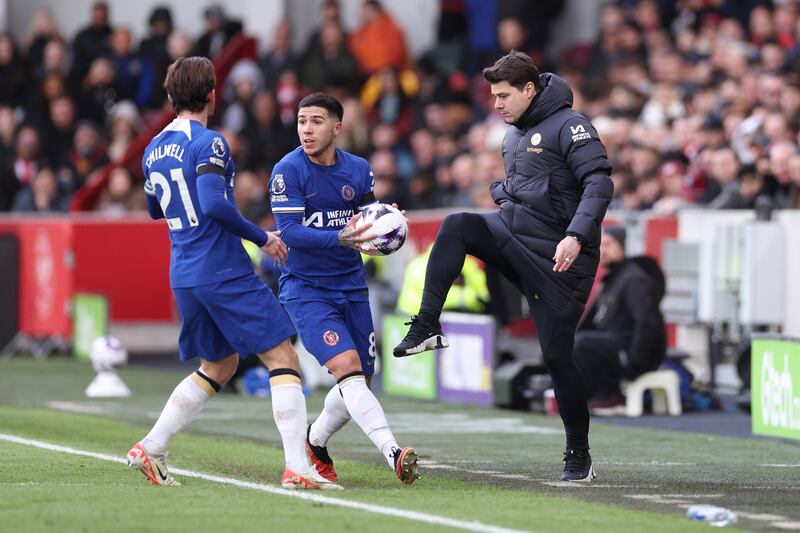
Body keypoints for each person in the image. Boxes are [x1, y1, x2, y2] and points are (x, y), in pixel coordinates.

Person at [393, 51, 613, 482]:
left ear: (529, 90)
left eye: (504, 95)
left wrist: (576, 235)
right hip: (516, 238)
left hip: (560, 259)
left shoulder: (572, 125)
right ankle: (427, 324)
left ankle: (579, 454)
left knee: (557, 356)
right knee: (457, 225)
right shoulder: (512, 136)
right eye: (493, 96)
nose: (496, 104)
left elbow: (599, 183)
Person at [127, 57, 340, 491]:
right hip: (221, 267)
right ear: (212, 94)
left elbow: (153, 208)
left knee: (220, 364)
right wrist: (262, 238)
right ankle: (298, 467)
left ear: (170, 96)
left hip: (184, 270)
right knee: (283, 358)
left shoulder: (153, 147)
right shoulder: (210, 142)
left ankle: (152, 445)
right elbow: (213, 204)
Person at [269, 92, 419, 485]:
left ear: (337, 128)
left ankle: (315, 442)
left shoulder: (358, 169)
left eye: (316, 121)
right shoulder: (287, 171)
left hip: (352, 287)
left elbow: (367, 216)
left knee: (359, 381)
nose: (306, 129)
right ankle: (392, 451)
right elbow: (289, 232)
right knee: (348, 367)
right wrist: (339, 237)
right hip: (307, 290)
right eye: (302, 121)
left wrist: (389, 219)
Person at [574, 226, 667, 413]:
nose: (603, 250)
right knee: (570, 341)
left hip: (636, 353)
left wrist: (635, 361)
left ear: (622, 247)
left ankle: (610, 395)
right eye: (600, 245)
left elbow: (646, 323)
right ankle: (584, 396)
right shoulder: (614, 277)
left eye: (608, 244)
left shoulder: (634, 279)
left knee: (583, 343)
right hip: (616, 345)